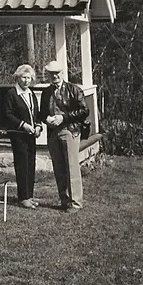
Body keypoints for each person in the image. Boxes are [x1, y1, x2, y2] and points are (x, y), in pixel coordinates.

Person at [38, 60, 89, 211]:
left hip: (69, 130)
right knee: (58, 167)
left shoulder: (74, 90)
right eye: (51, 74)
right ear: (48, 75)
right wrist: (46, 118)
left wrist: (64, 117)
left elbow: (84, 111)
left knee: (72, 167)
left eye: (57, 73)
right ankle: (64, 200)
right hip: (53, 132)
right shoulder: (46, 92)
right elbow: (42, 112)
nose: (55, 76)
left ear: (62, 73)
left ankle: (76, 202)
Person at [1, 63, 41, 208]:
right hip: (18, 135)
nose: (26, 81)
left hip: (31, 135)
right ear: (18, 78)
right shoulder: (12, 94)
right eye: (24, 77)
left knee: (31, 164)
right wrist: (23, 125)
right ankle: (23, 197)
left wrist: (38, 126)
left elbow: (36, 113)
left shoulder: (31, 94)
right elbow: (8, 114)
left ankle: (29, 195)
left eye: (29, 78)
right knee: (22, 164)